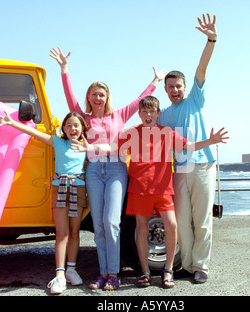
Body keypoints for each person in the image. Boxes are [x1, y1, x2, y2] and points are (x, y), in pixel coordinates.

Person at [72, 96, 228, 289]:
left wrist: (211, 141)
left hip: (163, 190)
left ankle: (168, 269)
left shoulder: (168, 133)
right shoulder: (131, 133)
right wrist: (91, 147)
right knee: (142, 230)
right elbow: (111, 148)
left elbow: (189, 147)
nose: (148, 115)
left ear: (158, 113)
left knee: (171, 225)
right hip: (139, 189)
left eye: (152, 111)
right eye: (144, 112)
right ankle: (145, 271)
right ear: (139, 114)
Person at [50, 47, 167, 290]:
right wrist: (64, 70)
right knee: (99, 224)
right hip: (93, 170)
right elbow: (69, 96)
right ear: (89, 98)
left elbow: (139, 101)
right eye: (93, 94)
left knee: (112, 222)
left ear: (107, 97)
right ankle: (103, 274)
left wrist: (155, 82)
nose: (97, 98)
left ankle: (114, 273)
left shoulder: (120, 115)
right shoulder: (83, 117)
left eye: (101, 94)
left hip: (115, 169)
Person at [0, 111, 88, 295]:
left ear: (83, 127)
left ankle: (71, 270)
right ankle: (59, 275)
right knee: (62, 233)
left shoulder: (86, 146)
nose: (72, 129)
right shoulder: (58, 142)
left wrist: (90, 148)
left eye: (76, 125)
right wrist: (11, 122)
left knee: (75, 232)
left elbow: (106, 150)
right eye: (68, 125)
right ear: (64, 129)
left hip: (79, 188)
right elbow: (35, 134)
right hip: (59, 187)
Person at [156, 13, 220, 284]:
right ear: (165, 89)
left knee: (202, 220)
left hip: (203, 165)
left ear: (185, 87)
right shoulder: (163, 116)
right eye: (169, 87)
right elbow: (149, 138)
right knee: (182, 221)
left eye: (178, 86)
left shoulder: (195, 99)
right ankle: (188, 264)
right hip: (179, 169)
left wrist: (211, 39)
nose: (174, 90)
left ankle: (201, 266)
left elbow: (202, 69)